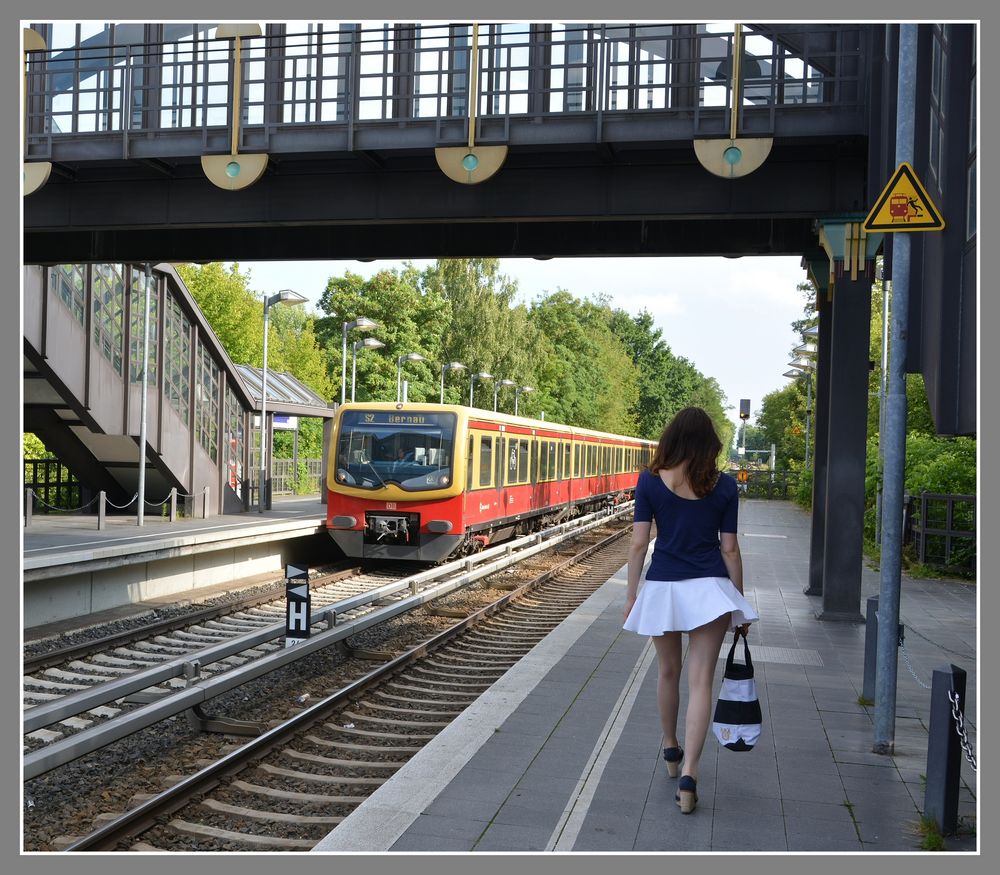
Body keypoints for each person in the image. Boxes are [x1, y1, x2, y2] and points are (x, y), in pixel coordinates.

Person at [622, 406, 758, 814]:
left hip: (663, 586)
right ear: (709, 445)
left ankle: (670, 749)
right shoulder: (725, 486)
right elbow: (730, 548)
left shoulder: (649, 482)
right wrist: (740, 602)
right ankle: (691, 776)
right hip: (711, 590)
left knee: (668, 672)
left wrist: (632, 595)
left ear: (672, 439)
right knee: (701, 682)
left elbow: (638, 544)